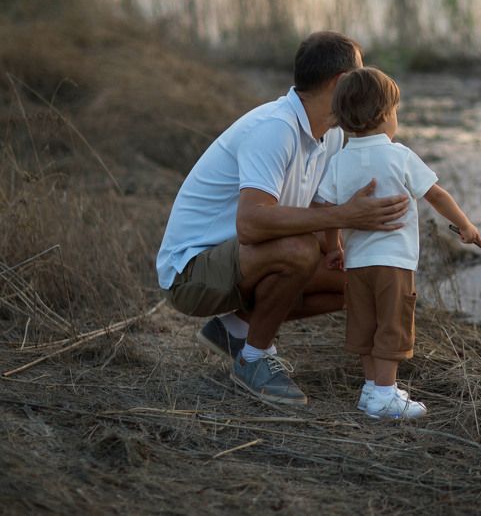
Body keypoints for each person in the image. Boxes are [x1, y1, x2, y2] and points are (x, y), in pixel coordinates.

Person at [156, 32, 408, 407]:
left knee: (356, 277)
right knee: (299, 249)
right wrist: (345, 214)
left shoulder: (330, 134)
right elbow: (252, 224)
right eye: (359, 74)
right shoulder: (276, 128)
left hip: (243, 260)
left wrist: (336, 246)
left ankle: (236, 329)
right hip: (192, 273)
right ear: (341, 83)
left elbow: (319, 208)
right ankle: (253, 361)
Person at [318, 67, 480, 420]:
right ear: (384, 115)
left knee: (365, 324)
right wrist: (464, 224)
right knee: (392, 325)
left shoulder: (339, 161)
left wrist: (334, 248)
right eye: (395, 112)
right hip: (394, 263)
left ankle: (371, 388)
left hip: (358, 263)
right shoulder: (399, 155)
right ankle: (385, 396)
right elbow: (435, 194)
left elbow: (327, 210)